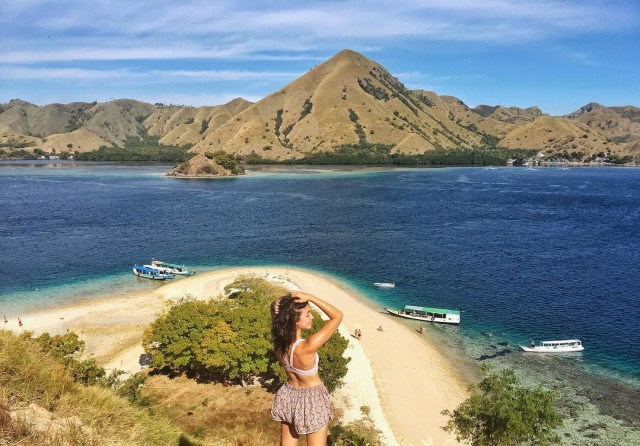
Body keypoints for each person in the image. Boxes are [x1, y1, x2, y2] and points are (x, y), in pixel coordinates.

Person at [270, 291, 343, 446]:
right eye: (308, 314)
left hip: (288, 394)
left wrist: (276, 307)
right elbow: (337, 316)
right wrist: (311, 297)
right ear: (295, 320)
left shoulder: (278, 343)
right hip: (312, 399)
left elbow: (275, 319)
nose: (312, 317)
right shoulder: (307, 346)